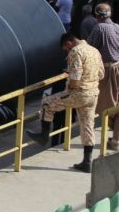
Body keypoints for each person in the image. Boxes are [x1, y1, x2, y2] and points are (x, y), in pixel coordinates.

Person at [28, 33, 104, 173]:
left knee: (46, 103)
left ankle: (43, 135)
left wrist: (70, 87)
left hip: (78, 93)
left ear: (69, 44)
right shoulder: (94, 50)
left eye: (65, 49)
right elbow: (101, 74)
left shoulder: (76, 51)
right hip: (93, 94)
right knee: (87, 126)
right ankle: (87, 162)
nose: (67, 51)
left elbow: (75, 77)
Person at [88, 4, 119, 150]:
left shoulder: (99, 28)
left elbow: (90, 49)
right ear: (110, 14)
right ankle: (117, 139)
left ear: (97, 16)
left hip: (110, 69)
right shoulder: (118, 27)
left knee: (104, 106)